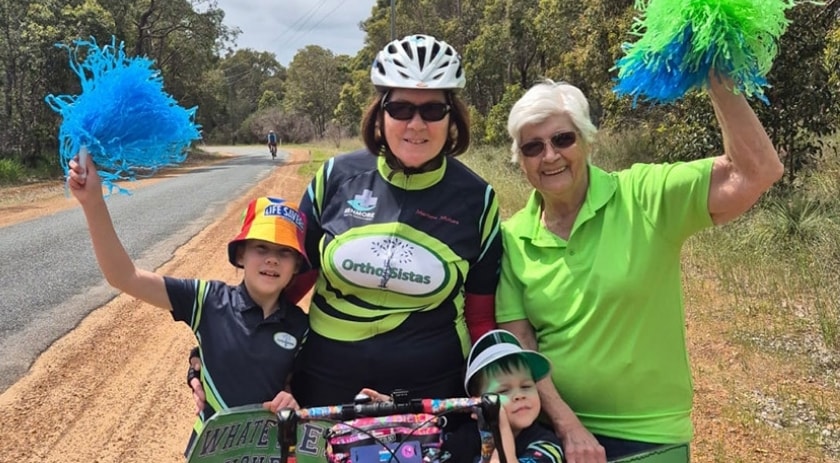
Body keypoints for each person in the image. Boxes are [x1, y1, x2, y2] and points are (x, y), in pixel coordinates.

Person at [495, 76, 783, 462]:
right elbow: (523, 346)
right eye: (533, 147)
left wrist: (718, 79)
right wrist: (568, 426)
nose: (549, 156)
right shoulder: (512, 238)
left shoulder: (645, 195)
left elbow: (756, 172)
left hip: (649, 435)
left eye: (563, 139)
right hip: (554, 434)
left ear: (587, 140)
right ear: (520, 160)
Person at [287, 33, 503, 461]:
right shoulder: (335, 177)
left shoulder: (477, 199)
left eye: (432, 110)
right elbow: (286, 284)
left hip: (432, 401)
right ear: (380, 113)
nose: (416, 124)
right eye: (401, 108)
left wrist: (499, 393)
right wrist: (228, 339)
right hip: (327, 391)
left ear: (452, 117)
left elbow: (481, 316)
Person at [67, 155, 310, 455]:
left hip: (268, 452)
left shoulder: (301, 327)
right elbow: (125, 277)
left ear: (297, 265)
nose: (272, 259)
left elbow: (296, 386)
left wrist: (290, 398)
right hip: (209, 452)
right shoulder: (206, 300)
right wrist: (93, 203)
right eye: (261, 247)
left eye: (284, 252)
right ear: (241, 255)